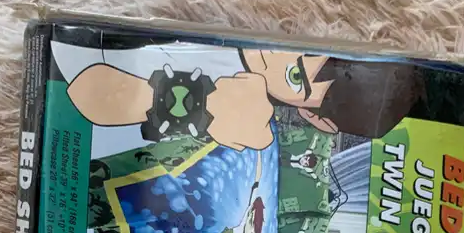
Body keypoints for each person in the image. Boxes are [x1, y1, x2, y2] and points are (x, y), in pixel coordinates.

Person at [52, 37, 422, 151]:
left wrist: (201, 107)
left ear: (315, 118)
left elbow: (83, 92)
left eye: (295, 76)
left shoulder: (237, 116)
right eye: (307, 47)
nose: (280, 55)